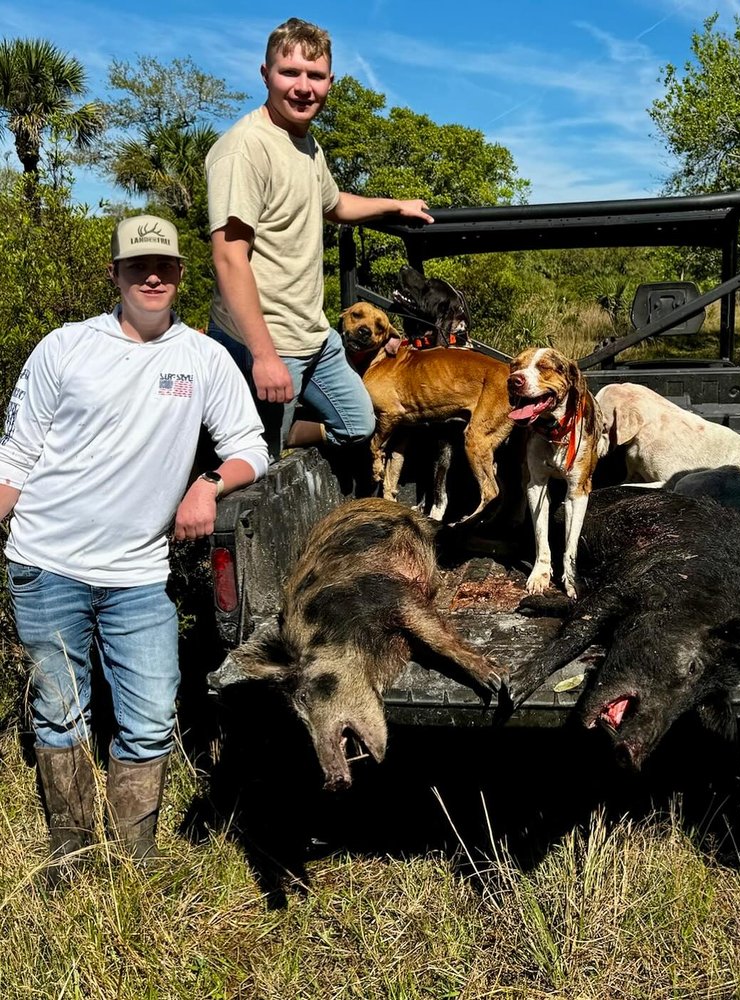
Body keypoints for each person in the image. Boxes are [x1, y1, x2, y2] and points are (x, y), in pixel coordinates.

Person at [0, 214, 270, 878]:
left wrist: (208, 484)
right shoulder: (65, 347)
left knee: (150, 714)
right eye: (137, 266)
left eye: (166, 267)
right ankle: (72, 852)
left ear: (180, 275)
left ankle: (135, 857)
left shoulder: (203, 359)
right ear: (114, 274)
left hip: (139, 575)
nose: (153, 276)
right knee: (60, 712)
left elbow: (251, 450)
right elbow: (14, 460)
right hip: (46, 563)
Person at [205, 17, 434, 458]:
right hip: (266, 342)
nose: (303, 87)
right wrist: (265, 357)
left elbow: (334, 205)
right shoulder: (245, 148)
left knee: (360, 422)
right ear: (265, 75)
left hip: (313, 334)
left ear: (330, 81)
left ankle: (284, 430)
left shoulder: (307, 144)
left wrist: (395, 205)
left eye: (315, 76)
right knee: (257, 463)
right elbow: (228, 258)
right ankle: (248, 441)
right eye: (289, 73)